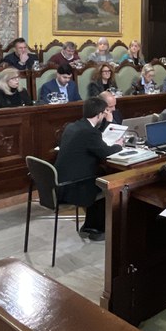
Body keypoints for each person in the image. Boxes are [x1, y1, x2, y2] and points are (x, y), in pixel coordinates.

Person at [55, 97, 123, 240]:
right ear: (99, 114)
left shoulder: (72, 126)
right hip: (74, 186)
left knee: (101, 176)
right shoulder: (89, 133)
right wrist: (119, 145)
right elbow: (105, 152)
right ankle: (98, 228)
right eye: (104, 113)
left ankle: (91, 225)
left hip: (60, 183)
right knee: (109, 185)